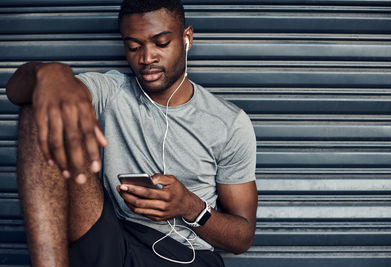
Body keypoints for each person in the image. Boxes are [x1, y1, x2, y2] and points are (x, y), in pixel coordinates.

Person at [6, 0, 258, 266]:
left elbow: (242, 239)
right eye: (134, 46)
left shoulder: (228, 123)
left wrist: (189, 206)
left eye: (161, 43)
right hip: (112, 237)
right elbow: (16, 91)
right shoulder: (112, 91)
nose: (146, 57)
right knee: (41, 107)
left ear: (187, 38)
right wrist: (49, 73)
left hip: (187, 255)